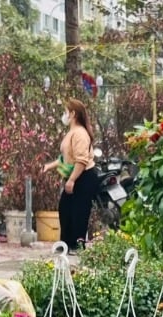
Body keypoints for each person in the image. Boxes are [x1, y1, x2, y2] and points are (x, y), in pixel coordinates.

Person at [41, 98, 99, 250]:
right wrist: (50, 166)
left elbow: (81, 160)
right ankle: (66, 244)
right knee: (66, 209)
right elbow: (66, 158)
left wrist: (72, 180)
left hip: (83, 176)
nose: (64, 115)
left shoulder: (80, 133)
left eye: (66, 112)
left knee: (78, 212)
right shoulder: (72, 132)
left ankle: (76, 245)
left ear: (73, 114)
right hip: (76, 175)